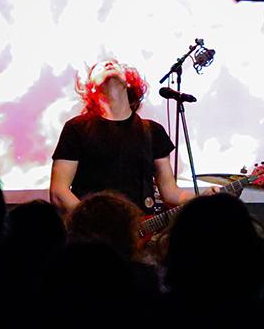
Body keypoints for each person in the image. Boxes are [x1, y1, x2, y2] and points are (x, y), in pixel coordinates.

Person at [49, 59, 193, 214]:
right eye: (99, 67)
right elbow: (59, 192)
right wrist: (92, 221)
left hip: (141, 225)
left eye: (116, 64)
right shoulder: (76, 128)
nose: (109, 64)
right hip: (93, 225)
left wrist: (202, 198)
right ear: (91, 87)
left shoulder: (153, 131)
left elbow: (170, 192)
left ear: (129, 82)